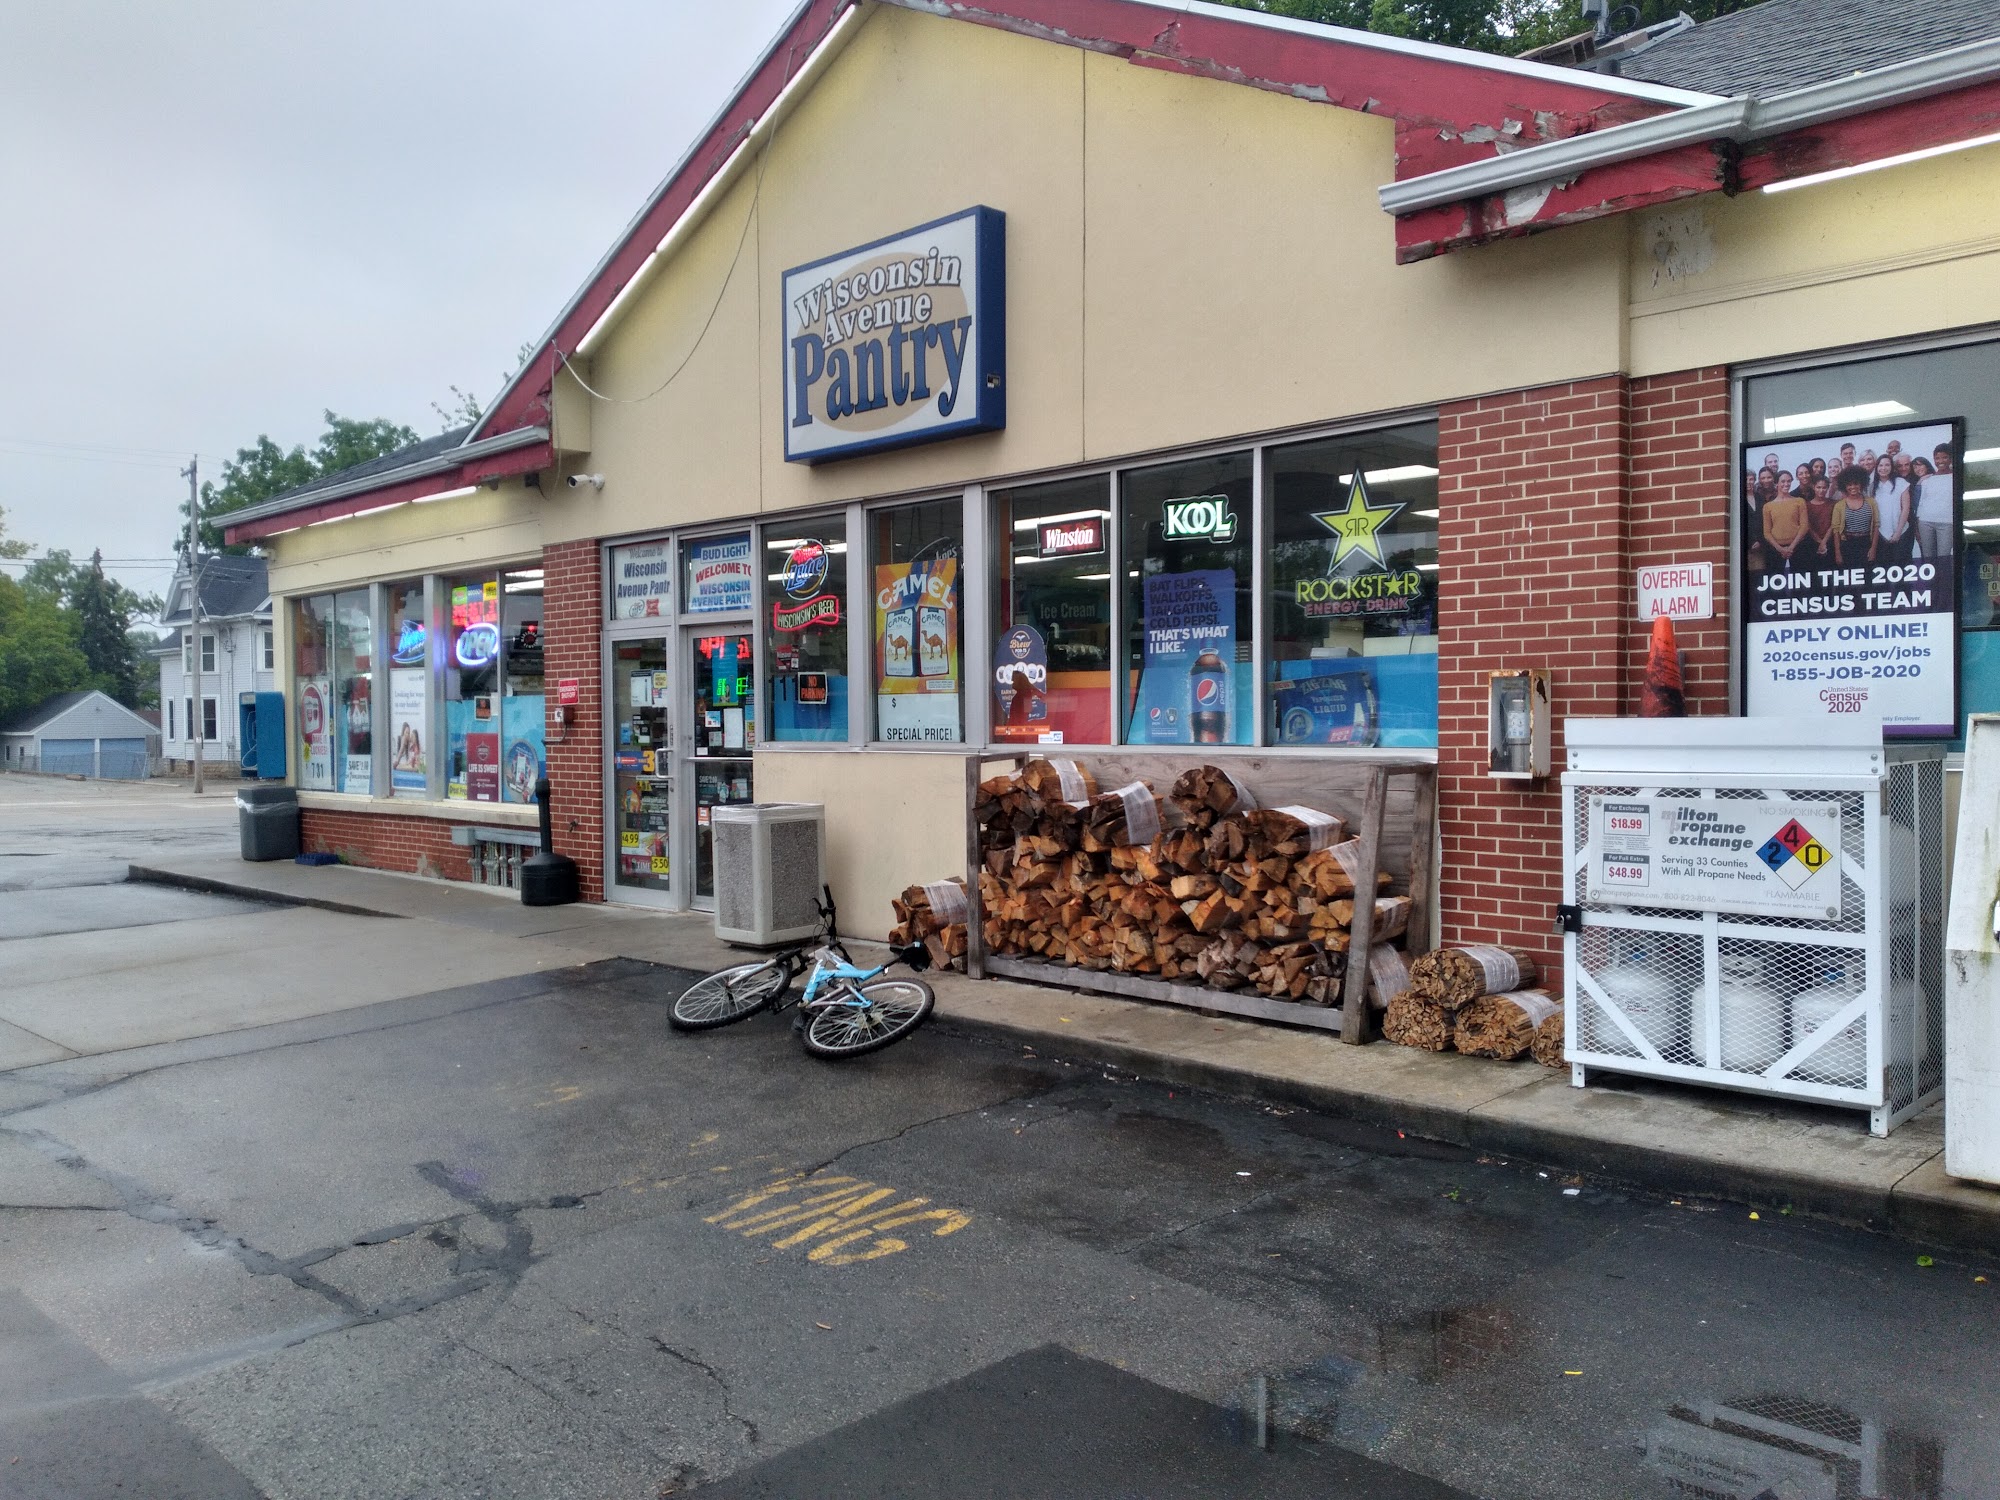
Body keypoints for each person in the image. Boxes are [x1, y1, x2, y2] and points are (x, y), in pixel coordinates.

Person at [1869, 453, 1911, 565]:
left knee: (1901, 566)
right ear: (1876, 467)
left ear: (1892, 467)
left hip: (1901, 532)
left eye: (1887, 465)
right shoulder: (1872, 487)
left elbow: (1906, 508)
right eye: (1881, 465)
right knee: (1883, 567)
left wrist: (1898, 532)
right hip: (1880, 534)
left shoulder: (1901, 483)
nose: (1883, 468)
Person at [1833, 467, 1878, 568]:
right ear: (1844, 486)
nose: (1853, 487)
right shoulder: (1839, 505)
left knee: (1867, 574)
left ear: (1861, 484)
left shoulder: (1871, 502)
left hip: (1866, 543)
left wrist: (1873, 549)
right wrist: (1838, 553)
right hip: (1847, 545)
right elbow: (1836, 531)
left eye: (1856, 483)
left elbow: (1876, 526)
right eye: (1849, 484)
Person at [1911, 455, 1954, 560]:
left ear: (1927, 465)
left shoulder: (1935, 478)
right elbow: (1917, 506)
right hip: (1923, 523)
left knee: (1942, 556)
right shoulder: (1917, 482)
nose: (1918, 469)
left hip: (1944, 521)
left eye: (1920, 465)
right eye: (1915, 467)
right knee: (1927, 556)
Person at [1762, 482, 1809, 570]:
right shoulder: (1767, 506)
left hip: (1798, 546)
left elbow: (1804, 526)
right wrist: (1780, 549)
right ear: (1777, 484)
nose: (1786, 484)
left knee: (1800, 574)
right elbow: (1767, 532)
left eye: (1788, 481)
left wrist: (1791, 547)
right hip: (1776, 548)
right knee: (1775, 575)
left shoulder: (1799, 501)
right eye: (1783, 481)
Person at [1800, 478, 1839, 569]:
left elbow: (1834, 524)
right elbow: (1808, 526)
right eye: (1818, 487)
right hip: (1812, 544)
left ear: (1828, 488)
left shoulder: (1833, 504)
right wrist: (1819, 542)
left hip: (1830, 542)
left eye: (1824, 487)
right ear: (1814, 487)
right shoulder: (1806, 505)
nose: (1821, 490)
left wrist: (1824, 541)